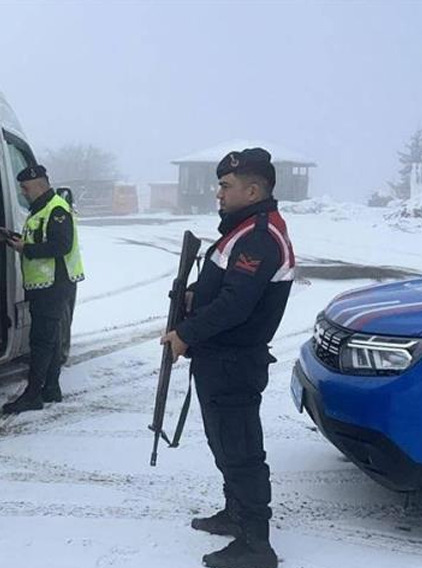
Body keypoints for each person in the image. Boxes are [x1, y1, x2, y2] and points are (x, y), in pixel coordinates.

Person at [160, 147, 294, 568]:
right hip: (221, 358)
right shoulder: (242, 229)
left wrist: (186, 332)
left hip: (235, 360)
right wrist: (196, 295)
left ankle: (256, 544)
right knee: (225, 444)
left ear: (253, 190)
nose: (218, 192)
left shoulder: (259, 236)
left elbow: (237, 305)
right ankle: (236, 513)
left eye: (226, 186)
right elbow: (227, 287)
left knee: (241, 450)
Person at [1, 165, 84, 413]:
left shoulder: (56, 208)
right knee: (52, 339)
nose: (24, 193)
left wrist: (25, 249)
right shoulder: (42, 209)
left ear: (39, 184)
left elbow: (61, 245)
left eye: (26, 188)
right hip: (47, 284)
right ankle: (51, 388)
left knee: (41, 341)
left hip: (53, 285)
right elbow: (42, 239)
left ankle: (33, 395)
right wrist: (16, 239)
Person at [55, 187, 78, 364]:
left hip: (63, 272)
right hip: (67, 272)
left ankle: (60, 352)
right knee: (63, 315)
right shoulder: (64, 208)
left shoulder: (57, 210)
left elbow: (62, 245)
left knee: (61, 316)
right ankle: (61, 350)